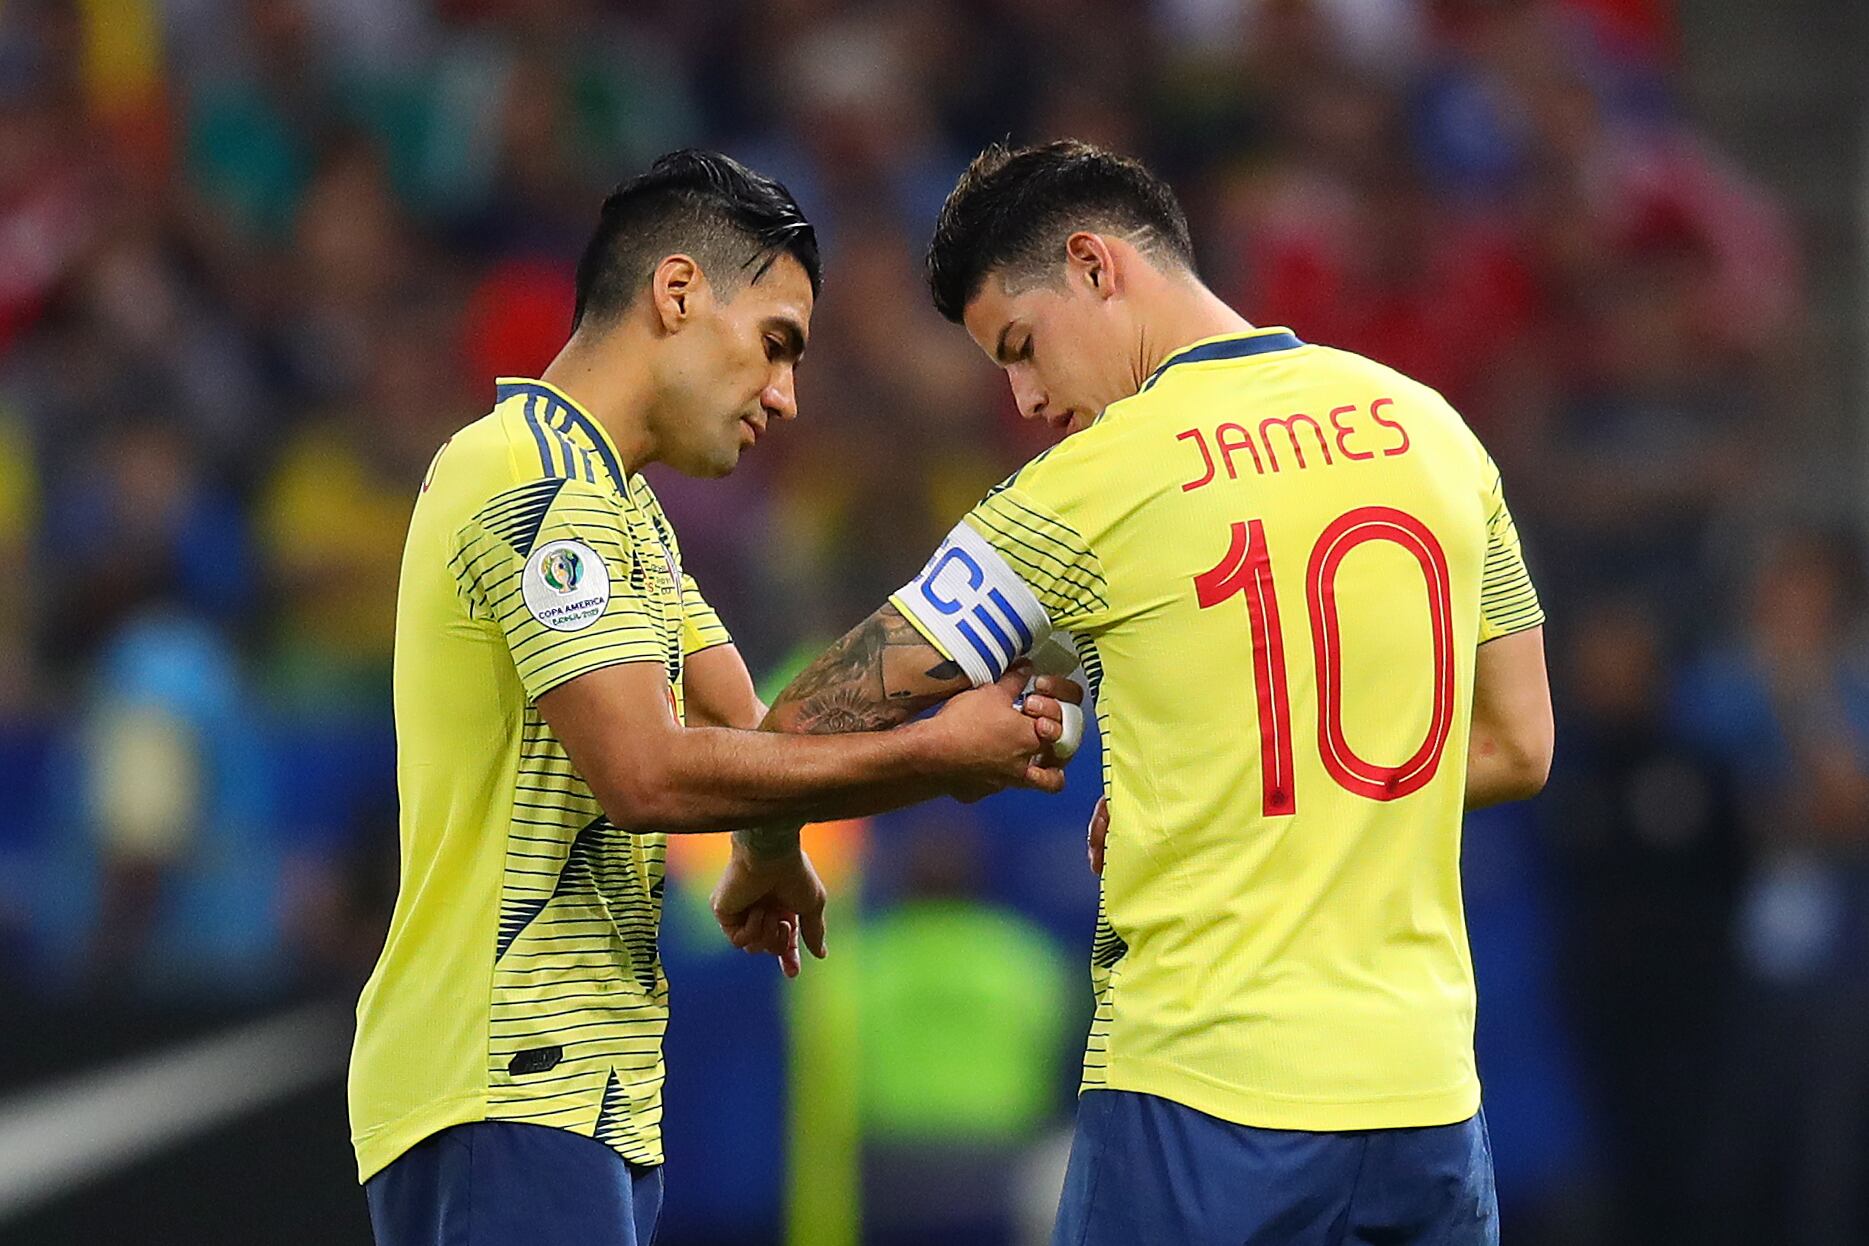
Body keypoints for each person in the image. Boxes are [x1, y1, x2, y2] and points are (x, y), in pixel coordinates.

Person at [718, 141, 1553, 1246]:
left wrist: (769, 852)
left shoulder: (1093, 485)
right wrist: (1231, 792)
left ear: (1095, 266)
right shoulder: (1433, 431)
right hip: (1426, 1108)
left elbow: (810, 713)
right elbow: (1518, 745)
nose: (1025, 399)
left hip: (1201, 1102)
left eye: (1021, 347)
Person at [348, 149, 1080, 1246]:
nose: (785, 396)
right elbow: (645, 771)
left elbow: (753, 727)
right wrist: (937, 753)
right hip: (505, 1072)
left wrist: (773, 854)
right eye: (776, 345)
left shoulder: (621, 507)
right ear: (678, 293)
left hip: (575, 1086)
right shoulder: (533, 480)